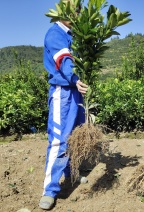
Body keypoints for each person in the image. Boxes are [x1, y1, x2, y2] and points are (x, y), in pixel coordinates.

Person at [39, 2, 88, 210]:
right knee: (59, 139)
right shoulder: (55, 34)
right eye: (70, 11)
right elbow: (64, 60)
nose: (75, 14)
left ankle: (71, 174)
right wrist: (75, 78)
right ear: (61, 13)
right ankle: (49, 190)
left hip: (77, 90)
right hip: (64, 91)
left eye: (77, 10)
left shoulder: (75, 35)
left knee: (75, 136)